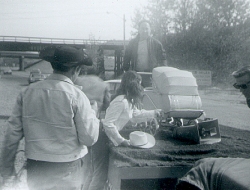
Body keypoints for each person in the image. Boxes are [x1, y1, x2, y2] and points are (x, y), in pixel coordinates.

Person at [0, 45, 100, 190]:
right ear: (76, 70)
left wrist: (8, 172)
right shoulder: (77, 96)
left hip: (37, 167)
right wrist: (94, 115)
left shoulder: (27, 92)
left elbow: (11, 136)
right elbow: (89, 138)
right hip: (69, 168)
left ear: (53, 65)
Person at [74, 74, 111, 190]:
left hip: (79, 128)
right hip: (95, 127)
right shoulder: (103, 84)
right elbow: (107, 102)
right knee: (99, 170)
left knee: (87, 168)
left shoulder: (77, 81)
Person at [123, 20, 167, 87]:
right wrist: (126, 71)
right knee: (135, 94)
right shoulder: (132, 43)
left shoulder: (156, 44)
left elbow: (163, 59)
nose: (145, 31)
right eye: (142, 28)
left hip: (150, 76)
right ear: (139, 30)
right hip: (136, 75)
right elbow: (126, 58)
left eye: (147, 29)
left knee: (149, 95)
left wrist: (162, 72)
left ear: (150, 30)